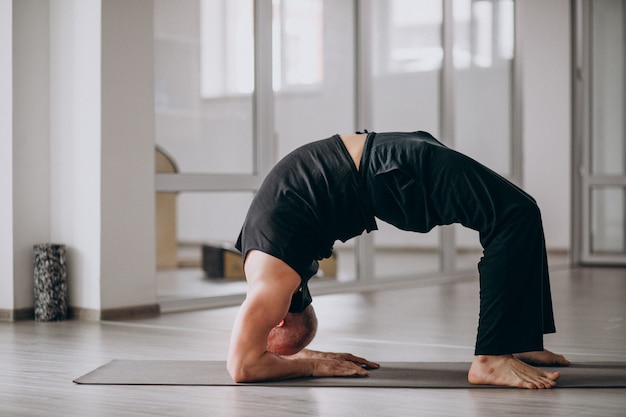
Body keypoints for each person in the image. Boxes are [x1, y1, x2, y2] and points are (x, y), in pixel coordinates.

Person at [227, 130, 570, 389]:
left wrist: (306, 363)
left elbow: (242, 366)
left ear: (279, 322)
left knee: (515, 213)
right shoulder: (271, 267)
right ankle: (499, 353)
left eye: (275, 352)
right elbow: (249, 364)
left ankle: (505, 349)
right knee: (515, 214)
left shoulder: (272, 280)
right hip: (388, 164)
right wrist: (307, 360)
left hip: (385, 168)